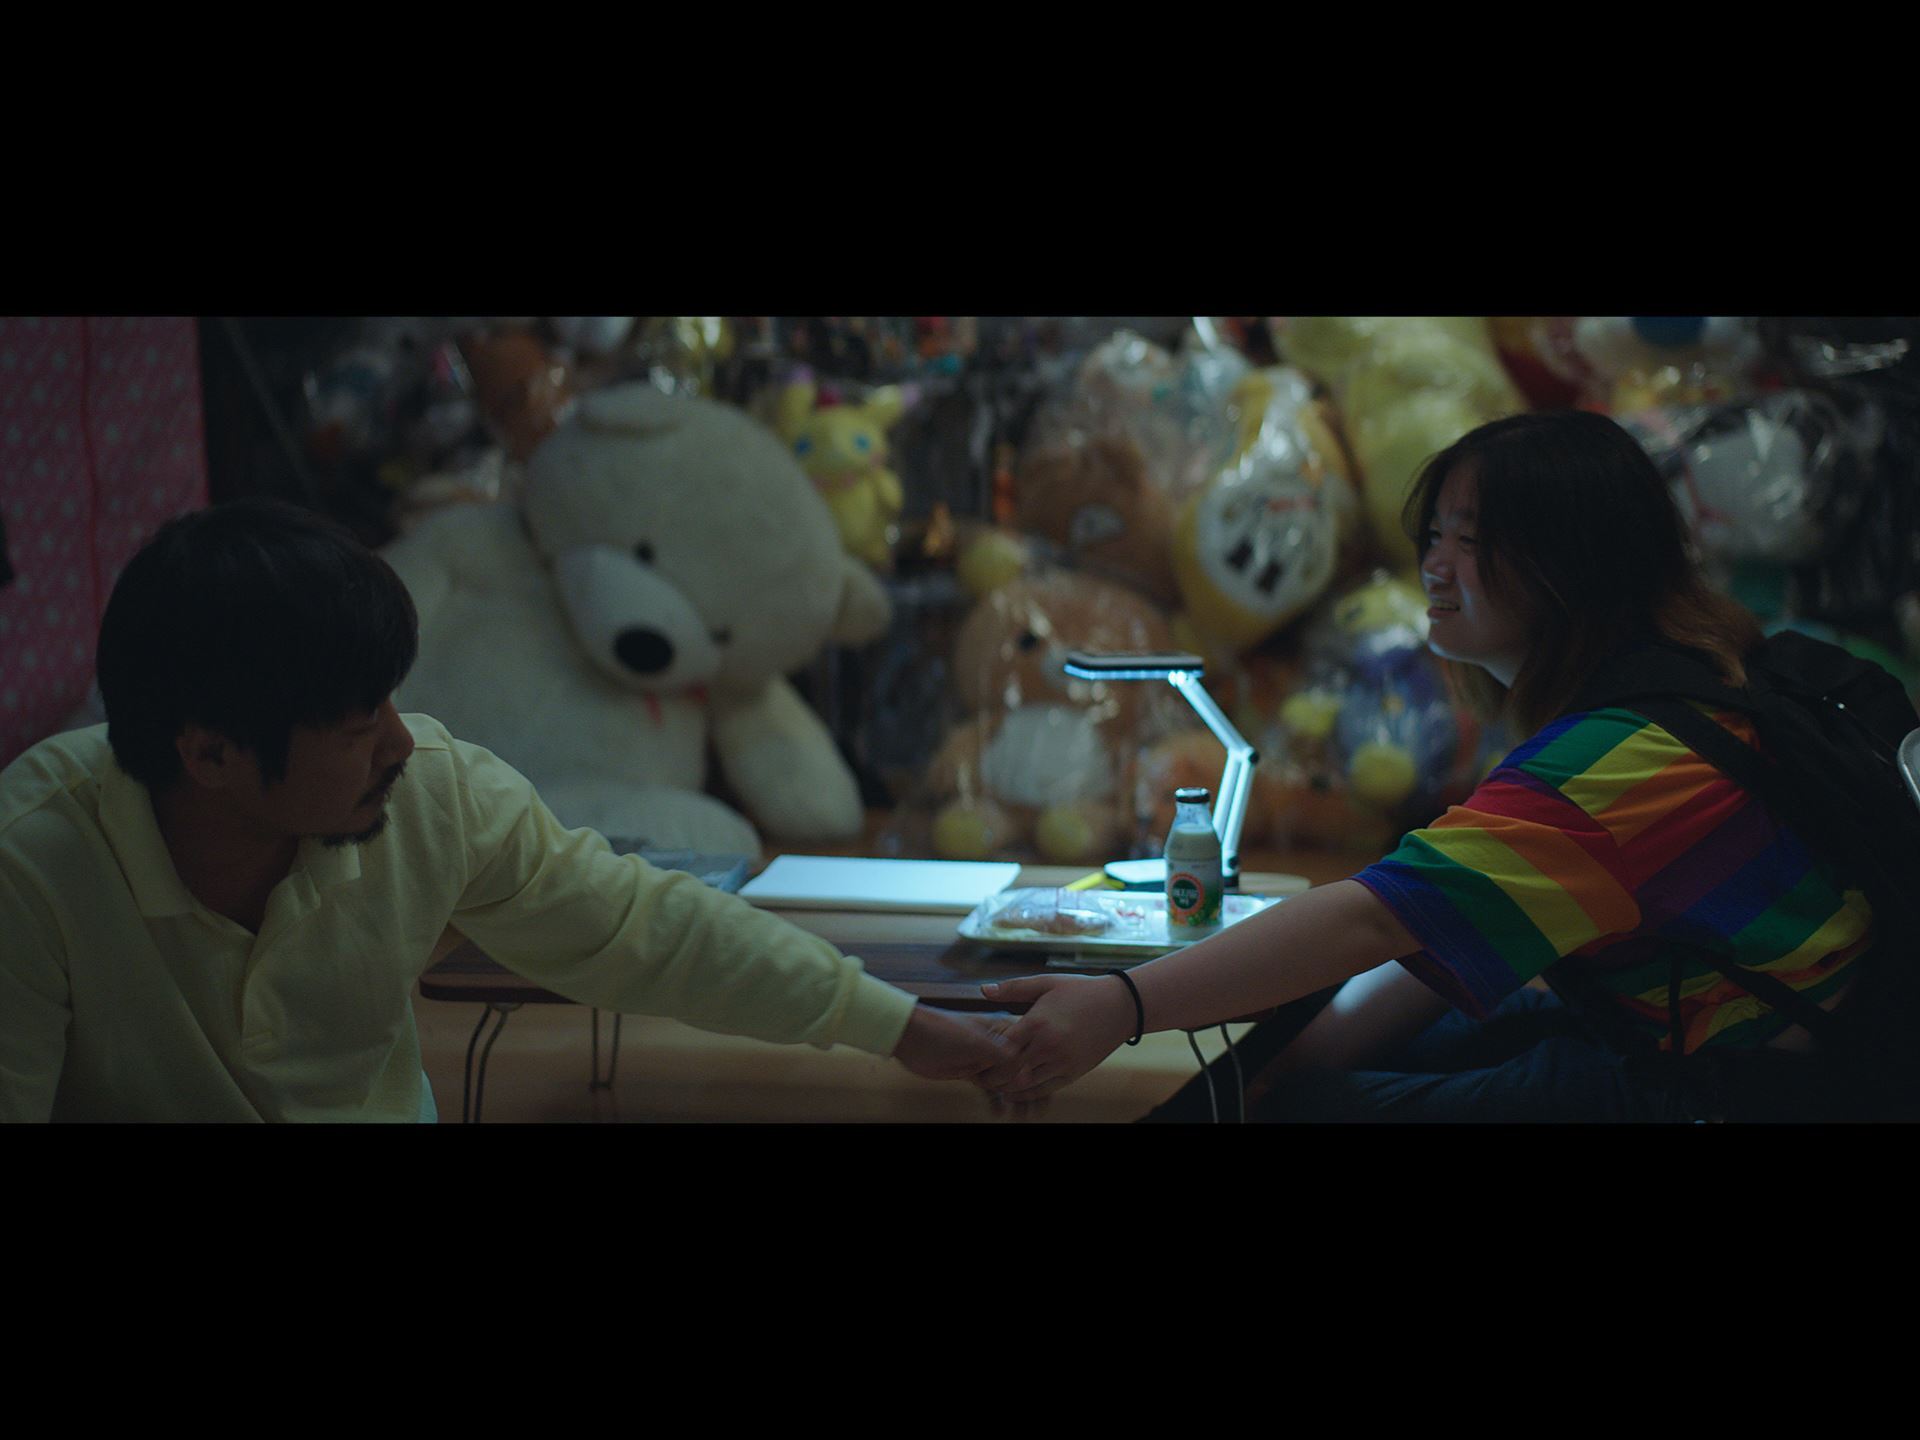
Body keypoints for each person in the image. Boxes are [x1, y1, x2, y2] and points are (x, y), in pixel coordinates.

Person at [977, 410, 1888, 1122]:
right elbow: (1427, 928)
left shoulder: (1617, 764)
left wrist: (1123, 1007)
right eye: (1436, 535)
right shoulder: (1688, 685)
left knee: (1310, 1109)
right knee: (1314, 1069)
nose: (1436, 568)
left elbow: (1372, 920)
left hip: (1737, 1092)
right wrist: (1261, 1068)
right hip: (1707, 1041)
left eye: (1472, 540)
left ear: (1571, 562)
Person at [0, 498, 1010, 1123]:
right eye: (355, 726)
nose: (400, 743)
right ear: (210, 752)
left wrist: (900, 1026)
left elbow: (646, 929)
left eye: (392, 702)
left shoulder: (433, 792)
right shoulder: (32, 864)